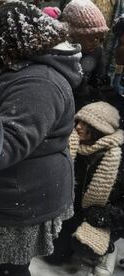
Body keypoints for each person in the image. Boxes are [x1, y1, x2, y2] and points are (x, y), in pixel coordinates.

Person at [0, 2, 81, 275]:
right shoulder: (21, 71)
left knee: (6, 270)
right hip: (9, 196)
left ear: (7, 38)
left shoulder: (37, 81)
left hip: (17, 201)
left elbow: (6, 144)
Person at [46, 102, 124, 276]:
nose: (78, 127)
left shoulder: (117, 156)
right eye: (78, 122)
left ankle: (108, 250)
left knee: (85, 247)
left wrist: (104, 216)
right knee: (53, 257)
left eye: (85, 124)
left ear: (99, 128)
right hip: (71, 212)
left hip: (100, 218)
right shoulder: (70, 144)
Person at [61, 0, 110, 110]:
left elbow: (98, 81)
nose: (96, 42)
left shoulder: (97, 52)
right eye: (92, 38)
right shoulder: (59, 55)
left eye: (100, 39)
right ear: (73, 34)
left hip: (83, 104)